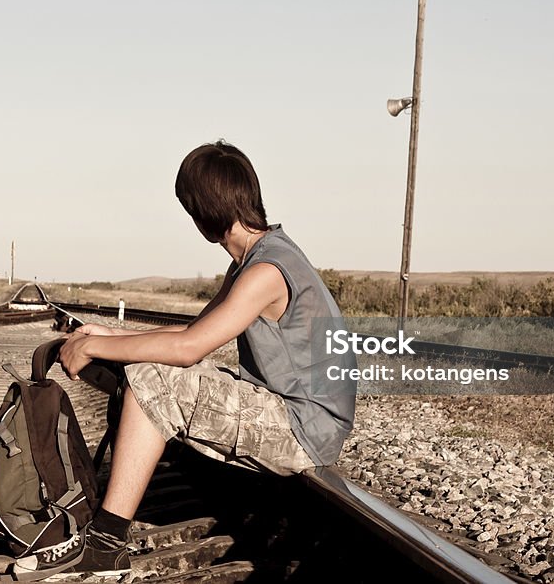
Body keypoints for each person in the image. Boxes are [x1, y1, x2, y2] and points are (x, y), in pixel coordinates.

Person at [20, 141, 355, 580]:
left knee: (152, 383)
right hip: (295, 410)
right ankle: (105, 524)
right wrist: (111, 335)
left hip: (302, 428)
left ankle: (105, 544)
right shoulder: (256, 258)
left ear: (205, 213)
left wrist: (97, 349)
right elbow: (194, 332)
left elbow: (188, 349)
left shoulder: (265, 271)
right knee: (150, 371)